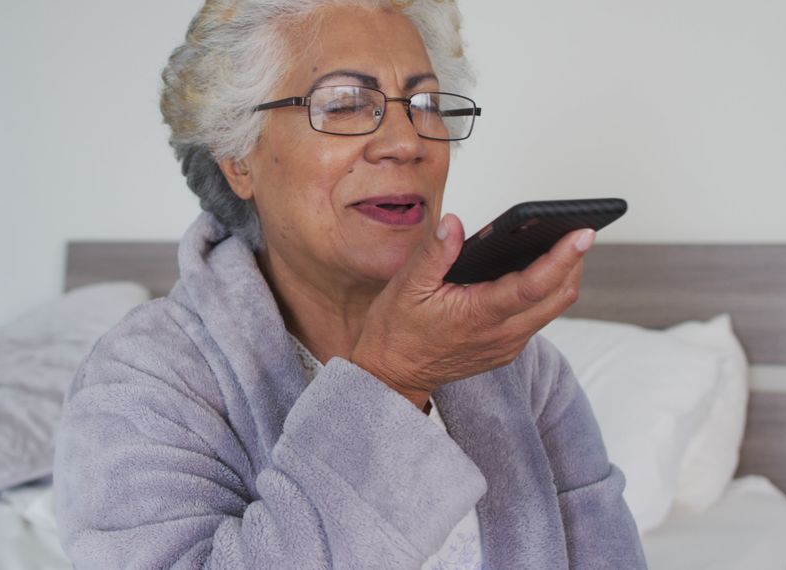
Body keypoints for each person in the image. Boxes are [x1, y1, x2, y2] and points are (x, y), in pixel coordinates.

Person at [53, 1, 648, 568]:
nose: (408, 141)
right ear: (238, 158)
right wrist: (392, 381)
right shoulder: (142, 380)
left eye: (424, 103)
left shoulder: (519, 367)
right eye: (342, 104)